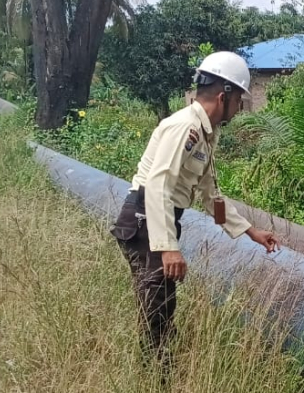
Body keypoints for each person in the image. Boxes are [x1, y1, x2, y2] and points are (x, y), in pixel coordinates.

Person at [109, 51, 280, 370]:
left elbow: (208, 194)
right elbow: (159, 185)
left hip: (157, 221)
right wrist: (168, 248)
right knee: (157, 309)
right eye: (239, 99)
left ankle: (157, 371)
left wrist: (249, 231)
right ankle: (155, 377)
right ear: (223, 95)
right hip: (146, 219)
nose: (240, 108)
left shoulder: (204, 133)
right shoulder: (184, 127)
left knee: (160, 306)